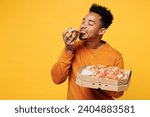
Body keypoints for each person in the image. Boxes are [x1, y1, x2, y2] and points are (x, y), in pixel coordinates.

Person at [51, 3, 124, 100]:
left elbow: (118, 93)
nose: (83, 26)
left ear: (101, 31)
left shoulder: (115, 56)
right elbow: (57, 79)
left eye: (90, 23)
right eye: (83, 22)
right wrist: (68, 49)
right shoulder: (73, 47)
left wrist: (97, 80)